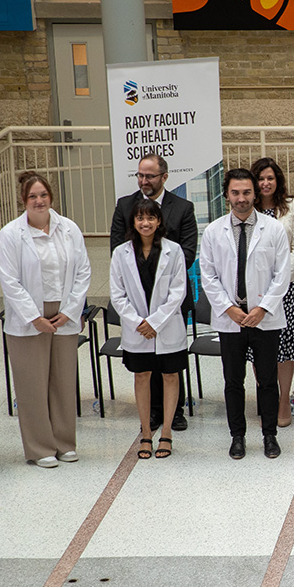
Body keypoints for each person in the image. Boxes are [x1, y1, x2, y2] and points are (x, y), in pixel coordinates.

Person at [0, 172, 91, 468]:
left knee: (63, 381)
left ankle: (65, 443)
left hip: (64, 313)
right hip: (29, 317)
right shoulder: (11, 234)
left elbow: (83, 271)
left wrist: (70, 310)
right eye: (32, 197)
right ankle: (40, 448)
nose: (39, 201)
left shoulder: (69, 228)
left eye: (43, 195)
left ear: (51, 197)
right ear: (23, 201)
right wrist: (34, 317)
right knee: (32, 384)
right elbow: (9, 281)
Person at [199, 168, 291, 460]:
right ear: (226, 194)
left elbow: (282, 273)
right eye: (236, 193)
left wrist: (263, 308)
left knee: (266, 380)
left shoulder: (273, 228)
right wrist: (230, 309)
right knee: (233, 381)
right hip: (231, 319)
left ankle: (269, 436)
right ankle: (237, 436)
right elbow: (208, 276)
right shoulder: (214, 231)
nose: (241, 198)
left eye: (247, 192)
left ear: (256, 193)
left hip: (265, 318)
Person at [110, 153, 197, 432]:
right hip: (137, 296)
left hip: (170, 295)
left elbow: (188, 251)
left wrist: (161, 264)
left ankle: (175, 412)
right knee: (145, 364)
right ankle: (152, 413)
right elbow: (117, 248)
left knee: (170, 361)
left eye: (150, 176)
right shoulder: (125, 206)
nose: (144, 181)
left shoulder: (183, 207)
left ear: (164, 177)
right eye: (140, 175)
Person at [109, 200, 188, 460]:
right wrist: (138, 322)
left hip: (166, 327)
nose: (146, 223)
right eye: (140, 218)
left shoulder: (173, 250)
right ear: (133, 222)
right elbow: (117, 296)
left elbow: (178, 292)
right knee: (141, 376)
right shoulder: (121, 253)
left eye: (151, 218)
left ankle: (166, 432)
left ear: (159, 221)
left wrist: (155, 322)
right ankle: (145, 433)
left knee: (169, 376)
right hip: (137, 329)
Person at [250, 157, 294, 428]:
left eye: (270, 178)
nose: (265, 183)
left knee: (285, 347)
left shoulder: (292, 206)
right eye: (260, 178)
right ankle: (266, 397)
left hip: (286, 288)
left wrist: (281, 277)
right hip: (256, 290)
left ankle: (284, 399)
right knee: (258, 346)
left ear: (278, 181)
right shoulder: (247, 209)